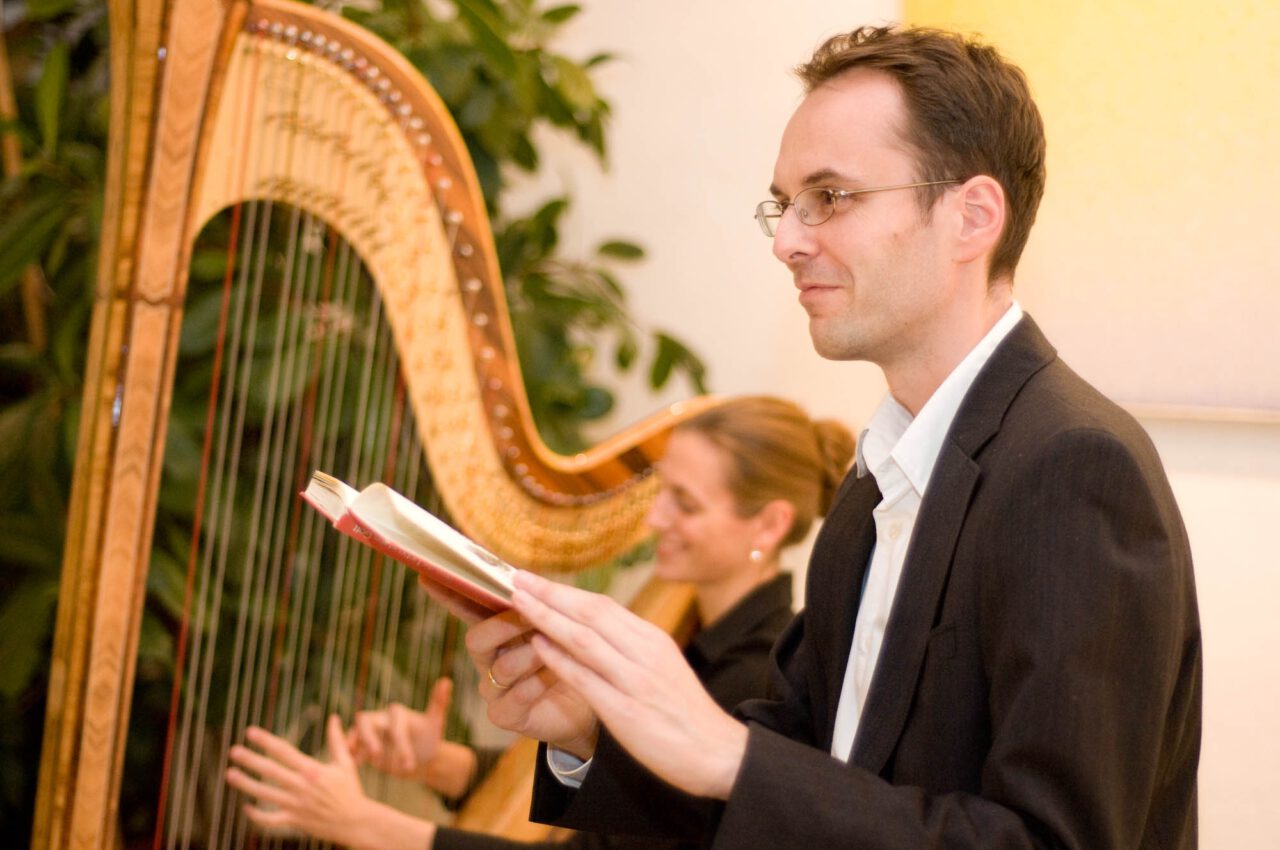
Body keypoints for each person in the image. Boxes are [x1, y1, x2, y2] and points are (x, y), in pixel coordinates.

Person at [462, 24, 1203, 850]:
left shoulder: (1072, 466)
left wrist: (731, 756)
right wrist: (590, 734)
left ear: (971, 217)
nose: (786, 240)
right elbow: (792, 788)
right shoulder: (875, 482)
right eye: (786, 204)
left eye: (831, 197)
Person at [223, 396, 856, 850]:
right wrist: (442, 764)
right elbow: (617, 794)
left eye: (684, 503)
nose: (655, 518)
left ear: (769, 525)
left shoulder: (755, 678)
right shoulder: (690, 628)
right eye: (660, 490)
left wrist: (368, 827)